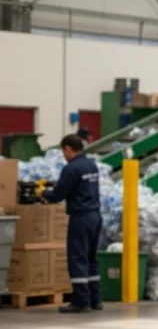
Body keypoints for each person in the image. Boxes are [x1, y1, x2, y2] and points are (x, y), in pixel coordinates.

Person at [41, 134, 102, 314]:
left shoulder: (71, 168)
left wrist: (42, 193)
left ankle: (81, 301)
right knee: (91, 258)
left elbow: (57, 195)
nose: (64, 155)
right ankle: (95, 299)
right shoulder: (91, 165)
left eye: (63, 152)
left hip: (81, 218)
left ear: (68, 149)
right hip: (95, 216)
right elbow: (79, 186)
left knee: (77, 258)